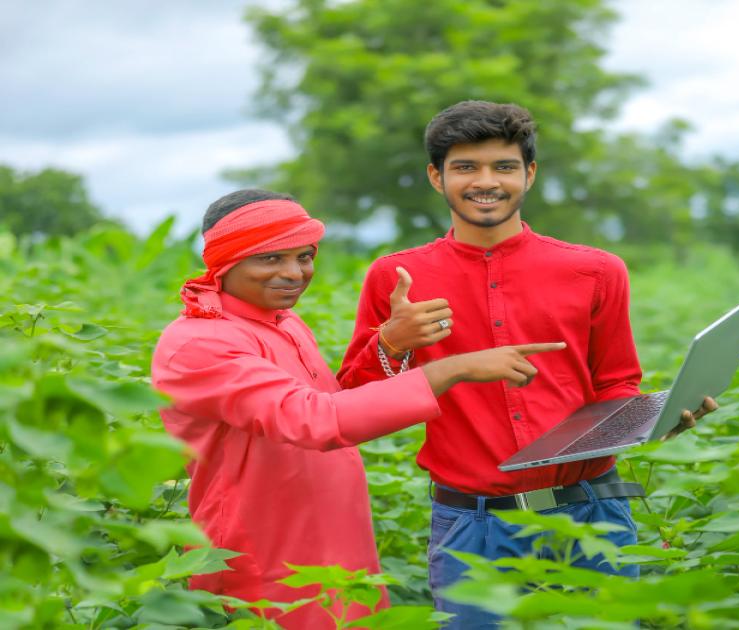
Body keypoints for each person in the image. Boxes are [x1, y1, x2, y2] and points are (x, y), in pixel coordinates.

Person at [337, 101, 717, 627]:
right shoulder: (396, 277)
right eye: (466, 167)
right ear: (436, 176)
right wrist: (394, 342)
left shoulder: (596, 270)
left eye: (504, 166)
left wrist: (650, 420)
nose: (485, 182)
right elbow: (355, 403)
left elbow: (616, 382)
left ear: (530, 174)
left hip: (592, 513)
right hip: (473, 527)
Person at [151, 189, 564, 629]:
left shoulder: (281, 322)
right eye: (270, 259)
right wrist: (450, 370)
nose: (294, 273)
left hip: (336, 537)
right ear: (225, 263)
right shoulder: (200, 342)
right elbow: (315, 419)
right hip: (263, 550)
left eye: (304, 256)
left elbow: (339, 403)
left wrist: (391, 344)